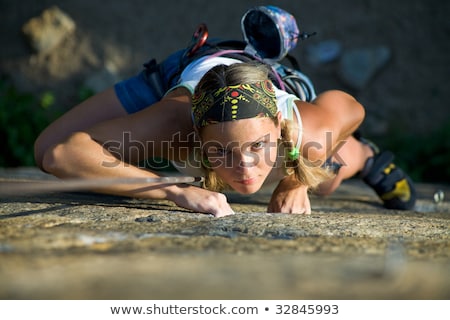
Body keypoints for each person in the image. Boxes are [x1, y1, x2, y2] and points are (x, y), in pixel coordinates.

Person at [34, 5, 416, 217]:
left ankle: (366, 157)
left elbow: (352, 109)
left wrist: (295, 181)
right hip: (180, 74)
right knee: (44, 147)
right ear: (197, 138)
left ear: (278, 125)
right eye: (221, 152)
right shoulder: (174, 126)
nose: (245, 169)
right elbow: (60, 153)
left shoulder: (303, 130)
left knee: (325, 177)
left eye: (256, 147)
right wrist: (171, 189)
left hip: (275, 93)